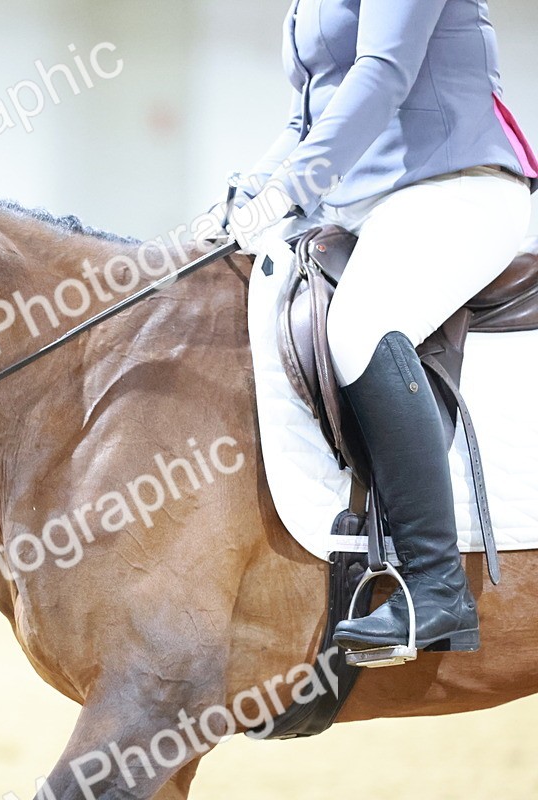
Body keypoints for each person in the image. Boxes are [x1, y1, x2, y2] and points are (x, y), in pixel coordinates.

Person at [228, 0, 538, 657]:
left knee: (363, 325)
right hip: (365, 207)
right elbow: (306, 118)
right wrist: (247, 193)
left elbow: (384, 71)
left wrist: (290, 188)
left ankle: (436, 586)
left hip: (458, 186)